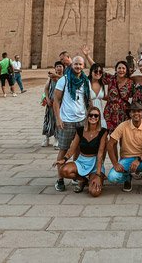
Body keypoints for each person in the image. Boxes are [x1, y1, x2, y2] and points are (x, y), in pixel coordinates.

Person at [53, 56, 90, 191]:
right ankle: (59, 179)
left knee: (78, 149)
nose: (78, 66)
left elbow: (88, 101)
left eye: (80, 64)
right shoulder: (64, 80)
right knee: (63, 149)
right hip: (67, 120)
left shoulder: (85, 81)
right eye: (76, 64)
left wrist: (88, 119)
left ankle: (75, 175)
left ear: (83, 66)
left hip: (81, 120)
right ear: (71, 65)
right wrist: (58, 118)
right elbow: (56, 100)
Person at [107, 102, 142, 196]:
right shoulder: (123, 126)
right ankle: (127, 177)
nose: (136, 114)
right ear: (130, 114)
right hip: (126, 159)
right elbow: (110, 144)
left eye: (139, 111)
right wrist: (115, 163)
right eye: (133, 111)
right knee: (112, 177)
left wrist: (139, 159)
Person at [56, 106, 107, 196]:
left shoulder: (103, 132)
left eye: (96, 116)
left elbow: (100, 154)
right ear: (87, 117)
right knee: (63, 170)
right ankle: (83, 180)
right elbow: (72, 149)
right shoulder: (80, 130)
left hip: (95, 162)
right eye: (91, 115)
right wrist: (64, 159)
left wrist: (98, 175)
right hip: (82, 161)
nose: (93, 117)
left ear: (99, 118)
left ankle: (94, 178)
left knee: (94, 192)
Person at [103, 61, 133, 133]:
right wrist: (87, 55)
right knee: (112, 136)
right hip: (110, 112)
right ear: (116, 69)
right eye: (119, 68)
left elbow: (134, 95)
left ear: (126, 70)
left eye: (123, 68)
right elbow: (98, 69)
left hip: (123, 113)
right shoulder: (111, 79)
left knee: (124, 135)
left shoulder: (130, 82)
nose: (121, 70)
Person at [42, 62, 64, 147]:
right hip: (51, 103)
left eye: (60, 66)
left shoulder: (63, 78)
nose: (59, 68)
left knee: (58, 120)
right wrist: (47, 98)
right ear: (55, 68)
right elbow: (46, 89)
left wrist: (56, 76)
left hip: (60, 104)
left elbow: (66, 80)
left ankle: (57, 139)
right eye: (57, 66)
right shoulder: (51, 78)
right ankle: (46, 138)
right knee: (48, 120)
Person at [88, 63, 107, 129]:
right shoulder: (87, 83)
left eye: (100, 71)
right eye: (95, 71)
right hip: (88, 112)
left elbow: (104, 97)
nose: (98, 73)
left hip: (100, 112)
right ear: (91, 72)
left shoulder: (102, 84)